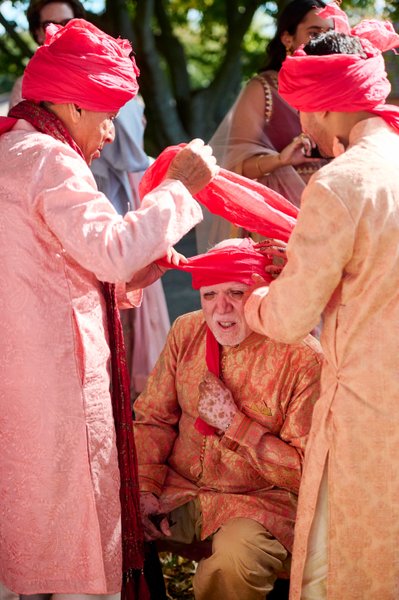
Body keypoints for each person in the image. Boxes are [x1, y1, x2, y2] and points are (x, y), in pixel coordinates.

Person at [0, 18, 218, 600]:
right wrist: (182, 188)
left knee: (35, 545)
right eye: (105, 116)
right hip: (55, 386)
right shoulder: (49, 158)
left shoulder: (13, 151)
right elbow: (111, 252)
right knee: (73, 556)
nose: (108, 133)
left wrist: (140, 269)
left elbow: (60, 269)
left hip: (26, 381)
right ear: (72, 104)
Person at [243, 6, 399, 599]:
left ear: (330, 102)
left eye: (303, 103)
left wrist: (258, 297)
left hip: (365, 410)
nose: (301, 120)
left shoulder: (339, 181)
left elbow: (286, 319)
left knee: (336, 570)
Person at [133, 237, 323, 600]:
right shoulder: (186, 331)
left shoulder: (302, 358)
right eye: (209, 295)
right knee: (111, 519)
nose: (221, 310)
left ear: (263, 293)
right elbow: (153, 418)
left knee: (234, 562)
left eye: (236, 293)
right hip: (182, 488)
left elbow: (307, 474)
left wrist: (236, 425)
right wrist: (145, 487)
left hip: (259, 503)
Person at [196, 0, 332, 253]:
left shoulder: (338, 90)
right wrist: (280, 160)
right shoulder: (263, 89)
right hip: (281, 222)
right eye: (313, 33)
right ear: (287, 38)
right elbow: (234, 165)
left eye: (329, 33)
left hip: (335, 212)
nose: (322, 42)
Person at [91, 96, 171, 398]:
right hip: (107, 192)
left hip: (120, 187)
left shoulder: (115, 84)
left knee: (124, 301)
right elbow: (130, 153)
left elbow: (131, 152)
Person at [9, 0, 86, 108]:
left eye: (68, 23)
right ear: (38, 33)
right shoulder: (24, 87)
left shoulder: (102, 68)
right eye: (49, 25)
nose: (60, 30)